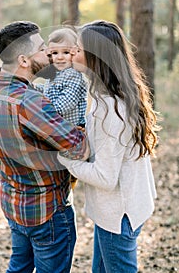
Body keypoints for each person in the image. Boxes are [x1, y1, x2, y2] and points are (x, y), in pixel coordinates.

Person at [0, 21, 89, 273]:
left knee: (18, 267)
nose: (49, 54)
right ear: (24, 60)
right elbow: (79, 147)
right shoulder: (29, 102)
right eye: (42, 49)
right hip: (46, 210)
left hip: (13, 202)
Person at [58, 20, 159, 273]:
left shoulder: (110, 110)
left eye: (78, 49)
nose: (72, 53)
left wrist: (65, 160)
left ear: (95, 57)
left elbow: (105, 177)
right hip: (120, 211)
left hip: (119, 216)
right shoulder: (110, 95)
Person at [34, 27, 88, 189]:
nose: (59, 58)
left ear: (74, 52)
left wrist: (42, 110)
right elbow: (49, 92)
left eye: (65, 52)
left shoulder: (73, 76)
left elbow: (64, 104)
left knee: (65, 172)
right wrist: (34, 90)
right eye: (55, 53)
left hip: (72, 132)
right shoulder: (57, 74)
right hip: (61, 130)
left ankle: (65, 189)